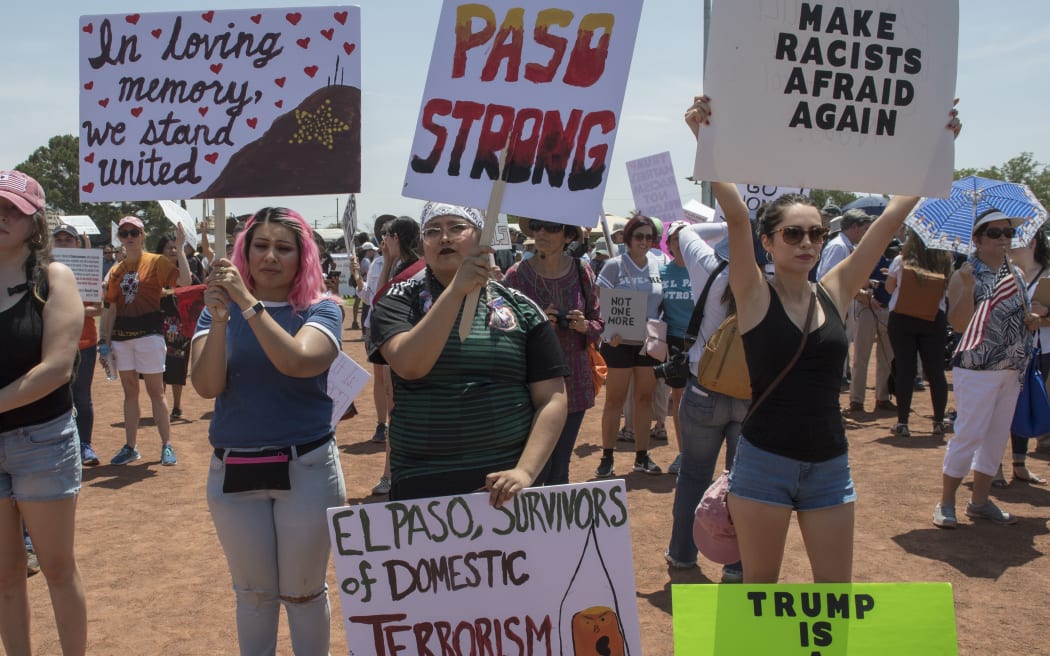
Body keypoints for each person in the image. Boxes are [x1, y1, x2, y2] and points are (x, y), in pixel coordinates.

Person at [687, 95, 961, 582]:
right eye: (793, 234)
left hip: (830, 465)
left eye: (816, 233)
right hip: (763, 463)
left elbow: (890, 221)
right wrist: (704, 138)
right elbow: (733, 212)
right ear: (767, 241)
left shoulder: (834, 291)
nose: (808, 243)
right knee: (760, 597)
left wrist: (935, 148)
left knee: (836, 599)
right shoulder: (752, 294)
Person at [190, 207, 346, 655]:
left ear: (304, 257)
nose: (271, 257)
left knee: (303, 593)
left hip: (308, 468)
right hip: (234, 470)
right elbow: (207, 386)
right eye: (260, 246)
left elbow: (298, 361)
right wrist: (220, 319)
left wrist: (249, 306)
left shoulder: (323, 309)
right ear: (245, 250)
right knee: (253, 596)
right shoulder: (216, 311)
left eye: (284, 247)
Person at [367, 202, 567, 503]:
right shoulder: (398, 300)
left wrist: (525, 472)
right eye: (432, 231)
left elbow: (552, 397)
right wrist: (456, 291)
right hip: (422, 481)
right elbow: (409, 365)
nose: (444, 238)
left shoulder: (521, 308)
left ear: (480, 237)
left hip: (507, 482)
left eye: (456, 227)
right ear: (423, 244)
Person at [0, 169, 87, 654]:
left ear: (35, 223)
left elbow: (56, 369)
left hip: (42, 441)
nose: (2, 217)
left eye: (13, 209)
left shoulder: (54, 277)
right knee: (6, 576)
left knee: (56, 567)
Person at [934, 209, 1033, 528]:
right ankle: (946, 502)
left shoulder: (1014, 272)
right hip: (977, 367)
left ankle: (979, 501)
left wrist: (1036, 317)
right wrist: (965, 285)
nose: (1004, 238)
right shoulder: (965, 272)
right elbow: (958, 323)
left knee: (995, 437)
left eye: (1008, 233)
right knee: (969, 434)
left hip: (1011, 367)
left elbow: (1023, 316)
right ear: (976, 239)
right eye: (995, 233)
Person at [664, 221, 748, 583]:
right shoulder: (776, 281)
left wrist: (730, 220)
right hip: (752, 396)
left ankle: (682, 553)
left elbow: (682, 231)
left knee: (693, 475)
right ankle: (737, 564)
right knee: (744, 483)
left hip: (703, 389)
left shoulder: (707, 266)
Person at [505, 218, 603, 485]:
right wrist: (535, 324)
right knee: (533, 467)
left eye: (550, 227)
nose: (541, 232)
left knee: (560, 467)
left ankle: (558, 527)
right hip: (529, 387)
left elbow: (598, 322)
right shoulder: (516, 275)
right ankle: (529, 526)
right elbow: (500, 329)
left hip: (574, 383)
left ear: (568, 236)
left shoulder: (582, 270)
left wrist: (584, 325)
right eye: (537, 226)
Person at [101, 217, 191, 466]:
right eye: (124, 233)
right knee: (130, 392)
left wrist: (181, 248)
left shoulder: (157, 261)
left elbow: (185, 281)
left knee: (156, 392)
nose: (129, 237)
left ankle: (167, 445)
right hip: (122, 338)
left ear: (142, 235)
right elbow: (111, 309)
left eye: (134, 232)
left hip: (149, 335)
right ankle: (131, 446)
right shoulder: (115, 270)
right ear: (119, 237)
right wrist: (104, 340)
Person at [594, 215, 665, 477]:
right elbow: (601, 302)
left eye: (649, 237)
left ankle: (642, 456)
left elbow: (662, 304)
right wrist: (608, 329)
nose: (644, 242)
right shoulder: (614, 265)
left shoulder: (659, 265)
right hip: (619, 343)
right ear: (628, 238)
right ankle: (607, 457)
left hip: (649, 341)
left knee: (644, 399)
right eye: (639, 236)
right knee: (615, 400)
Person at [367, 215, 423, 495]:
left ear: (396, 238)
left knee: (400, 413)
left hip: (409, 349)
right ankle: (390, 473)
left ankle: (394, 473)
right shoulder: (398, 267)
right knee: (395, 412)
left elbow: (380, 303)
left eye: (387, 236)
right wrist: (388, 262)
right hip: (395, 347)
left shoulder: (418, 269)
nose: (383, 241)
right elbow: (379, 303)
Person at [883, 228, 953, 436]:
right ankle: (939, 421)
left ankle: (903, 422)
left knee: (905, 369)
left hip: (903, 317)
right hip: (933, 317)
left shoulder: (901, 260)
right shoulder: (945, 262)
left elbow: (889, 288)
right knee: (935, 371)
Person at [52, 224, 103, 465]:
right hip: (53, 344)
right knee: (55, 395)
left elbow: (98, 308)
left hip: (84, 343)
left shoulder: (87, 270)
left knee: (82, 396)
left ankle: (85, 445)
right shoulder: (44, 271)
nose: (63, 243)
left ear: (77, 243)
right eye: (59, 239)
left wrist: (70, 311)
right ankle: (59, 447)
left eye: (68, 239)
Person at [1005, 232, 1050, 485]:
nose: (1008, 245)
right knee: (1004, 407)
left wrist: (1041, 319)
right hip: (1010, 351)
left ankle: (1019, 464)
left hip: (1042, 352)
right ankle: (995, 467)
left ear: (1031, 244)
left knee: (1028, 406)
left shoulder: (1047, 277)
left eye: (1014, 240)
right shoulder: (1007, 276)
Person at [657, 222, 694, 474]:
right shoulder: (661, 272)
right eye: (675, 239)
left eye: (686, 237)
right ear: (668, 244)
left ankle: (703, 455)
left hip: (702, 342)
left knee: (707, 401)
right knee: (679, 400)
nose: (680, 243)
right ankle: (684, 454)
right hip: (673, 343)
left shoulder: (703, 270)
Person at [153, 233, 202, 421]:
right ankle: (160, 403)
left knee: (177, 366)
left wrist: (170, 292)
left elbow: (194, 287)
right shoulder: (153, 271)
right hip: (157, 324)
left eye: (175, 247)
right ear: (161, 251)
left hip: (180, 326)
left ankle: (176, 406)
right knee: (158, 367)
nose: (172, 250)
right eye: (169, 247)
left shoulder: (185, 272)